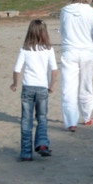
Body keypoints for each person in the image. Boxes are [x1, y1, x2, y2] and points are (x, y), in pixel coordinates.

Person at [11, 19, 58, 161]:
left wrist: (15, 84)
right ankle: (42, 144)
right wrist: (51, 85)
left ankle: (26, 152)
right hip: (42, 87)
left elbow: (17, 69)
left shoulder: (25, 49)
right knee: (42, 117)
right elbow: (54, 70)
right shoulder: (48, 49)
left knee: (26, 120)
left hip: (28, 87)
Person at [60, 0, 93, 131]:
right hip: (87, 52)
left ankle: (70, 122)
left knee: (68, 87)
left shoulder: (65, 11)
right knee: (86, 85)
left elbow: (62, 32)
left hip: (69, 51)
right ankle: (86, 117)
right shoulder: (90, 11)